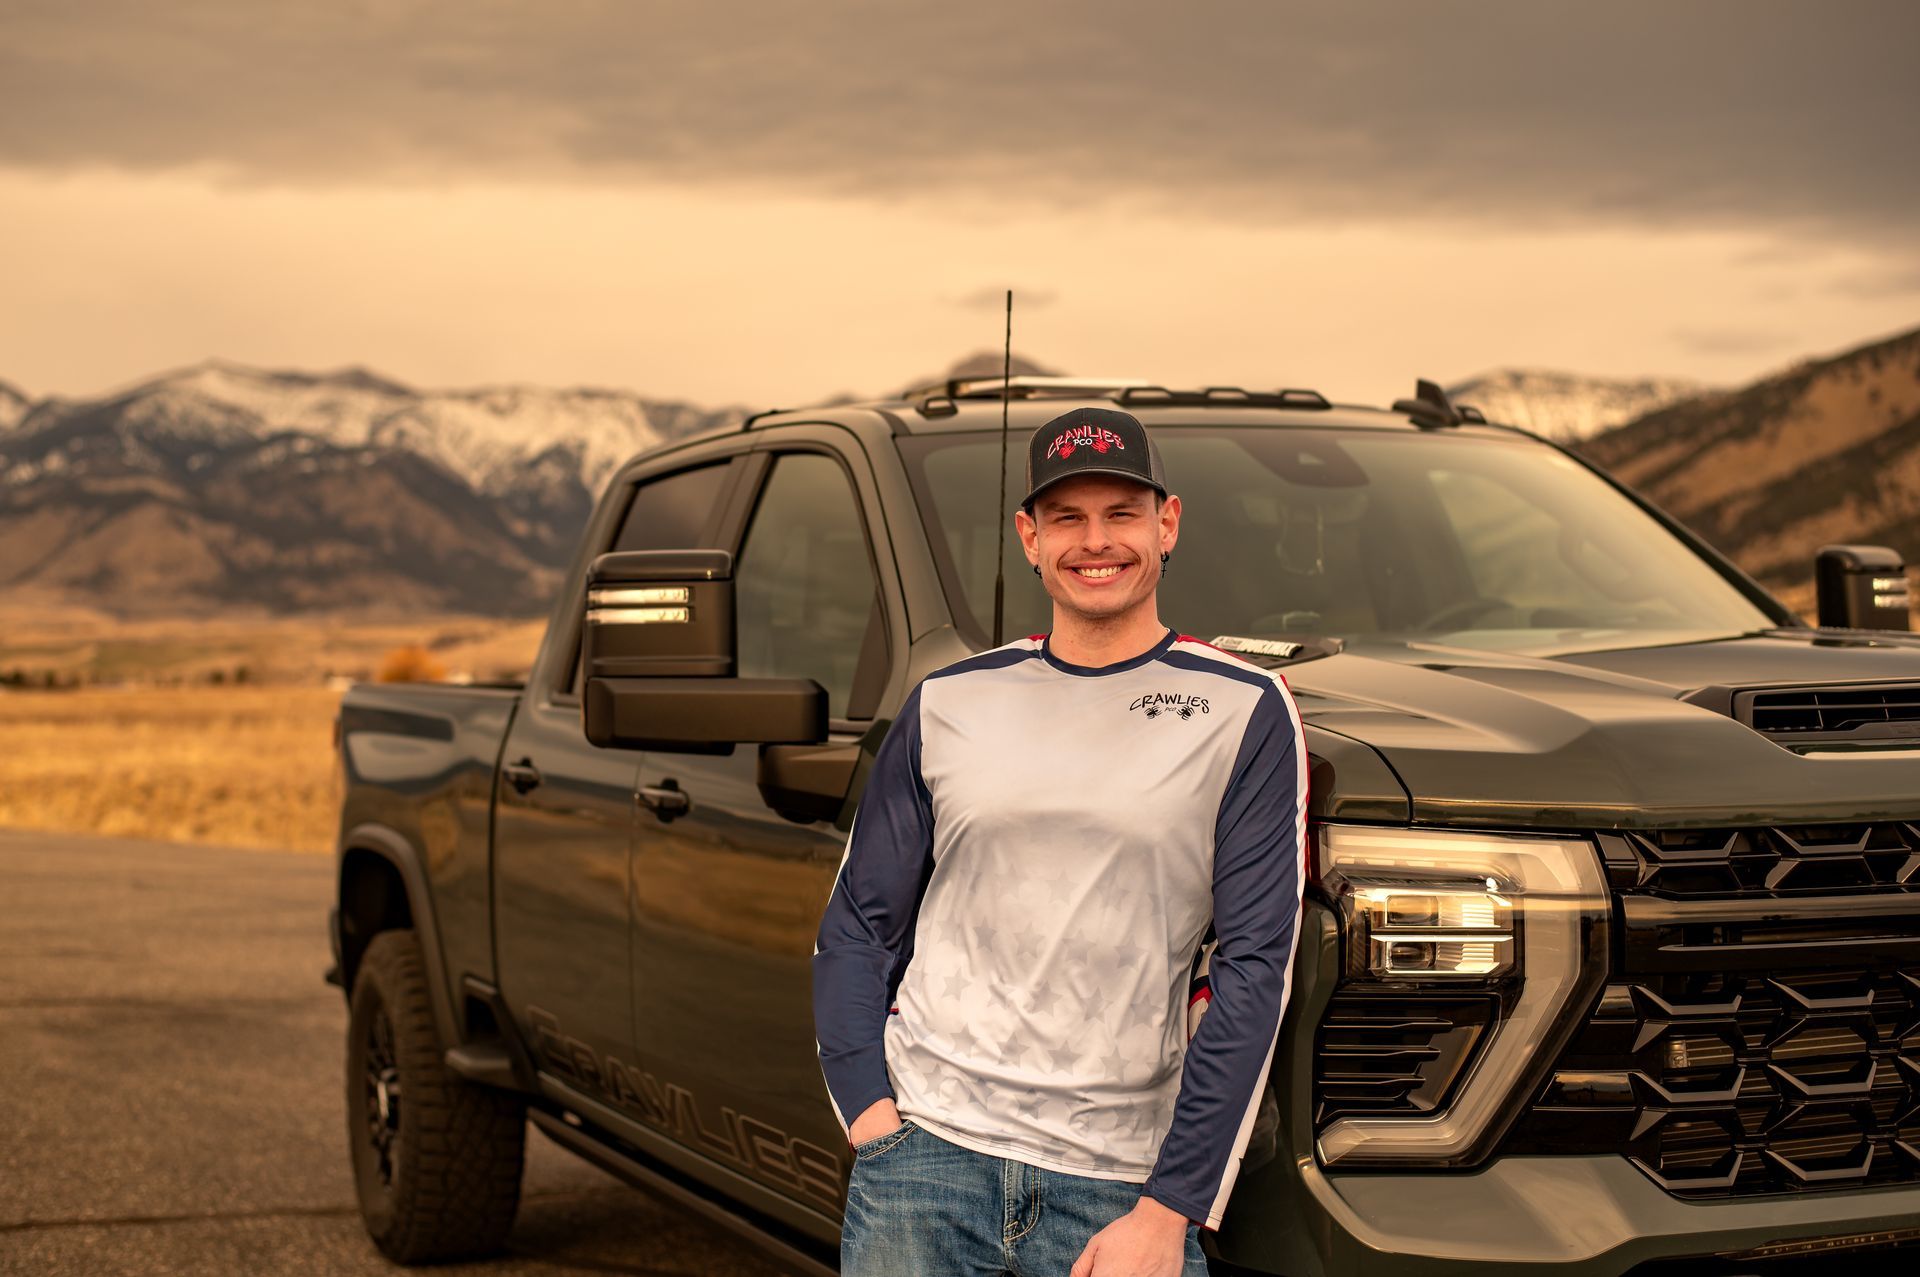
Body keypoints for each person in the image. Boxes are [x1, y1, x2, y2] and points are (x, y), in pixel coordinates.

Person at [813, 406, 1307, 1277]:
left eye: (1121, 512)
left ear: (1167, 523)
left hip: (1119, 1185)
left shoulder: (1243, 709)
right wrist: (872, 1119)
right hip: (926, 1161)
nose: (1096, 541)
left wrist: (1172, 1207)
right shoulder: (950, 701)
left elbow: (1255, 967)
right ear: (1030, 537)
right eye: (1068, 518)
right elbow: (859, 922)